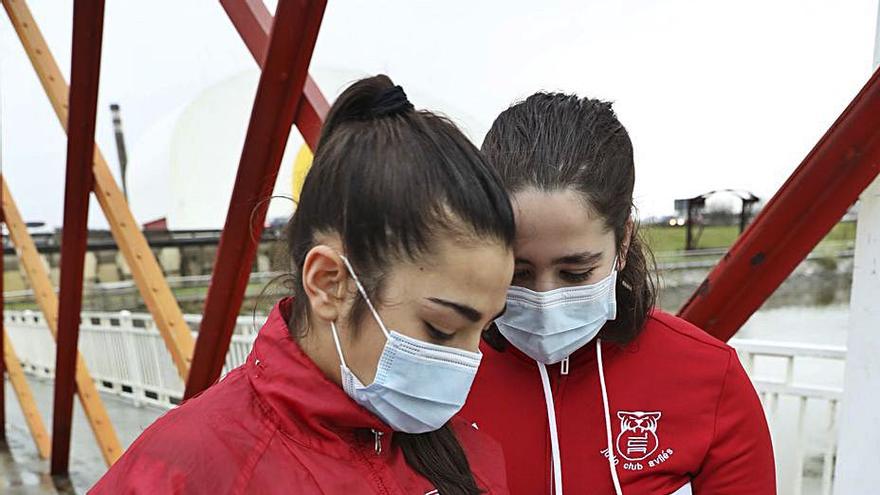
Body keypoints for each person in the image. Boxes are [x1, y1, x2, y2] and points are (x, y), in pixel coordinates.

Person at [90, 75, 515, 495]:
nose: (467, 364)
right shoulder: (186, 470)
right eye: (440, 328)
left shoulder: (461, 444)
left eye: (485, 330)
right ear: (330, 283)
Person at [460, 93, 775, 494]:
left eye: (575, 272)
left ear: (623, 240)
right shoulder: (440, 371)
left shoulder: (711, 379)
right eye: (517, 271)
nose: (544, 297)